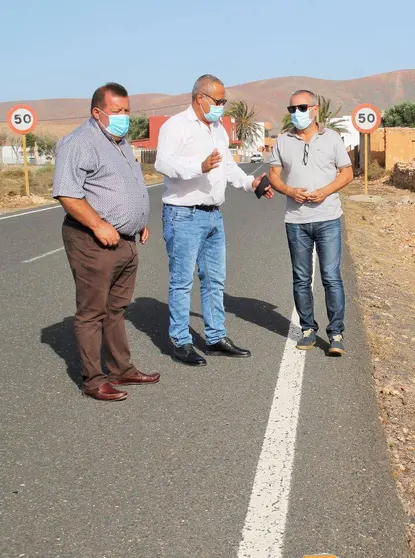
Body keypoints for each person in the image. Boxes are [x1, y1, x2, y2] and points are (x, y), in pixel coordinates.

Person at [53, 82, 159, 402]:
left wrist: (138, 222)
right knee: (92, 312)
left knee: (117, 309)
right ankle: (94, 379)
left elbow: (124, 187)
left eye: (127, 111)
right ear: (97, 112)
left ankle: (121, 368)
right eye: (117, 111)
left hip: (126, 241)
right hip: (92, 240)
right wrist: (99, 224)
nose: (124, 117)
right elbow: (68, 193)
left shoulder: (121, 142)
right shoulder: (79, 143)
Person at [155, 74, 267, 366]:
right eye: (218, 101)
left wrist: (250, 184)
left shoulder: (217, 129)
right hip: (183, 214)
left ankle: (216, 337)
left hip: (213, 215)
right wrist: (198, 166)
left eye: (224, 102)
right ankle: (180, 342)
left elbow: (227, 167)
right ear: (200, 98)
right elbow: (161, 162)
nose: (221, 107)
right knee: (182, 282)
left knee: (215, 280)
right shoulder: (176, 126)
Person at [267, 89, 353, 355]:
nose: (296, 114)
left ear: (314, 109)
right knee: (301, 277)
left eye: (302, 108)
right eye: (292, 109)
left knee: (331, 277)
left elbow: (347, 173)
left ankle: (336, 333)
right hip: (296, 220)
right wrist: (290, 191)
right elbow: (273, 175)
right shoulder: (282, 140)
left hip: (328, 218)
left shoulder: (333, 139)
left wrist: (325, 191)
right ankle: (307, 330)